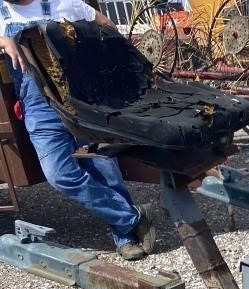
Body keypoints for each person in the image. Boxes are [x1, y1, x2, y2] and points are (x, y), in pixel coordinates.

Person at [0, 0, 155, 261]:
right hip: (39, 108)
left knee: (104, 166)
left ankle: (125, 236)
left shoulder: (63, 3)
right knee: (60, 175)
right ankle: (132, 218)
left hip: (81, 101)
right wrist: (4, 41)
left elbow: (105, 24)